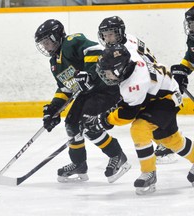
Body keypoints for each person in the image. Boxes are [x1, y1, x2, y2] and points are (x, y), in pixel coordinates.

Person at [81, 43, 194, 195]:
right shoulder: (130, 57)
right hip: (155, 93)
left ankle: (149, 173)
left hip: (165, 99)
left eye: (107, 73)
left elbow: (127, 114)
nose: (105, 76)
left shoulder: (136, 83)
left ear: (119, 69)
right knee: (170, 140)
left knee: (139, 128)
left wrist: (103, 121)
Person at [34, 19, 131, 183]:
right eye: (42, 43)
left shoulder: (72, 42)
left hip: (105, 88)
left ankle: (118, 156)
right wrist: (53, 109)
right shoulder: (54, 64)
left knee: (89, 124)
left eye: (46, 41)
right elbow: (66, 88)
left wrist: (90, 74)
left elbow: (94, 49)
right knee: (71, 124)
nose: (44, 46)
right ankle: (79, 164)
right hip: (87, 94)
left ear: (56, 36)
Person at [97, 15, 178, 164]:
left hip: (147, 83)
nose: (107, 38)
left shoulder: (126, 51)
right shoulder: (130, 39)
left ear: (119, 32)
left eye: (111, 34)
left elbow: (134, 72)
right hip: (150, 78)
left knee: (144, 115)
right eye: (105, 35)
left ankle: (166, 145)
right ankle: (166, 143)